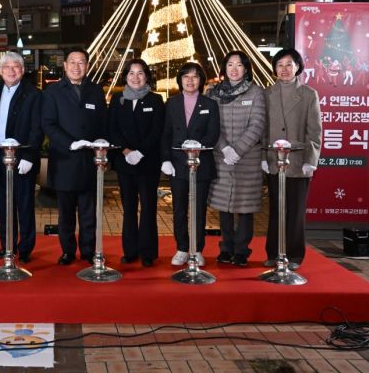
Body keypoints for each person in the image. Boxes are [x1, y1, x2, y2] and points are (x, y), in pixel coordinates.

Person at [41, 47, 107, 265]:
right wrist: (70, 143)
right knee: (66, 212)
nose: (77, 66)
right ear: (65, 65)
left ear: (87, 66)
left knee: (89, 212)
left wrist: (100, 142)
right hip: (64, 160)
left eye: (81, 63)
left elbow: (102, 122)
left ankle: (88, 251)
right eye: (73, 62)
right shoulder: (52, 91)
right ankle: (68, 251)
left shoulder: (96, 91)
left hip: (89, 161)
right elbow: (48, 124)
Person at [0, 52, 42, 263]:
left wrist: (30, 156)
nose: (12, 70)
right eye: (7, 66)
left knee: (24, 203)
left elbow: (37, 128)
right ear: (0, 70)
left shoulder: (33, 94)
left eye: (16, 66)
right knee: (4, 204)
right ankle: (7, 246)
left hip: (22, 157)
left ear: (22, 71)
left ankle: (25, 249)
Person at [262, 48, 322, 270]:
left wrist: (311, 159)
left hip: (298, 162)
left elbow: (315, 131)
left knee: (295, 211)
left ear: (298, 67)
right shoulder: (267, 94)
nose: (284, 69)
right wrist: (263, 155)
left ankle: (295, 255)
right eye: (279, 65)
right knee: (276, 209)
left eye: (289, 64)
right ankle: (273, 253)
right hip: (274, 160)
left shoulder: (308, 94)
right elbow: (263, 129)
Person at [206, 51, 266, 266]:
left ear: (246, 69)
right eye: (230, 64)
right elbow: (210, 124)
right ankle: (226, 248)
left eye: (239, 65)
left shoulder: (256, 93)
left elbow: (257, 125)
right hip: (221, 156)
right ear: (224, 68)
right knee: (224, 206)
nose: (234, 69)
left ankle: (241, 250)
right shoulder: (213, 93)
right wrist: (224, 149)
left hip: (247, 158)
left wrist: (238, 149)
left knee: (245, 207)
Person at [160, 62, 220, 267]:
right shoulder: (171, 103)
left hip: (201, 163)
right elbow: (165, 133)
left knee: (199, 209)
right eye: (186, 76)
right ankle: (182, 248)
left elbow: (214, 133)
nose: (190, 80)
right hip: (177, 164)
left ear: (201, 80)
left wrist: (200, 144)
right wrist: (165, 159)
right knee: (179, 209)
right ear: (180, 80)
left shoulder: (210, 104)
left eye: (195, 76)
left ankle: (197, 249)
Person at [107, 58, 165, 267]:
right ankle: (130, 250)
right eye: (131, 73)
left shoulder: (156, 100)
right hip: (124, 163)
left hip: (148, 163)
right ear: (125, 76)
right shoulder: (117, 99)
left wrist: (140, 151)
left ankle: (148, 252)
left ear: (146, 76)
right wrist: (125, 151)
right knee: (128, 208)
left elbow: (157, 131)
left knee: (148, 207)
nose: (136, 77)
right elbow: (111, 129)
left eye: (140, 73)